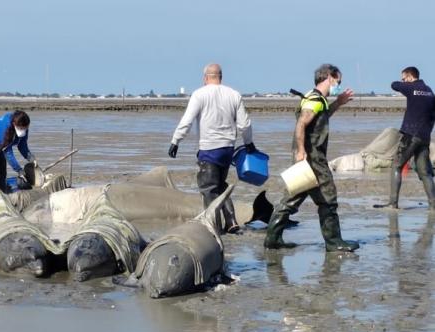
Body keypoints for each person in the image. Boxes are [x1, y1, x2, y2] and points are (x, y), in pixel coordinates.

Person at [264, 64, 359, 252]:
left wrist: (339, 102)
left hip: (307, 157)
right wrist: (301, 151)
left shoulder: (315, 99)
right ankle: (334, 242)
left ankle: (273, 239)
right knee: (328, 199)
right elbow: (301, 124)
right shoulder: (314, 100)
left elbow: (321, 117)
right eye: (338, 81)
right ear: (329, 77)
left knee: (292, 199)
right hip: (312, 158)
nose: (338, 85)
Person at [167, 63, 256, 233]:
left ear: (206, 77)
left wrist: (175, 141)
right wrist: (248, 143)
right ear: (220, 77)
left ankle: (212, 227)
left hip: (209, 149)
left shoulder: (199, 94)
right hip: (228, 149)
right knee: (220, 185)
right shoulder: (234, 94)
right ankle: (231, 222)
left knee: (208, 189)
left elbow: (187, 120)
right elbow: (244, 124)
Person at [374, 67, 435, 209]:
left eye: (404, 78)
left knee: (396, 165)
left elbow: (394, 85)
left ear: (409, 77)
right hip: (424, 137)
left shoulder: (411, 87)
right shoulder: (430, 92)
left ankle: (393, 203)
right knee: (425, 172)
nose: (402, 81)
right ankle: (433, 204)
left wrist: (405, 84)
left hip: (410, 135)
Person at [0, 110, 36, 218]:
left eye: (25, 128)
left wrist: (31, 158)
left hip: (0, 146)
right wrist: (19, 170)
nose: (23, 130)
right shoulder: (5, 129)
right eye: (21, 128)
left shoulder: (23, 129)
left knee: (2, 174)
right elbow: (9, 154)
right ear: (14, 124)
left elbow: (22, 146)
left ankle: (1, 199)